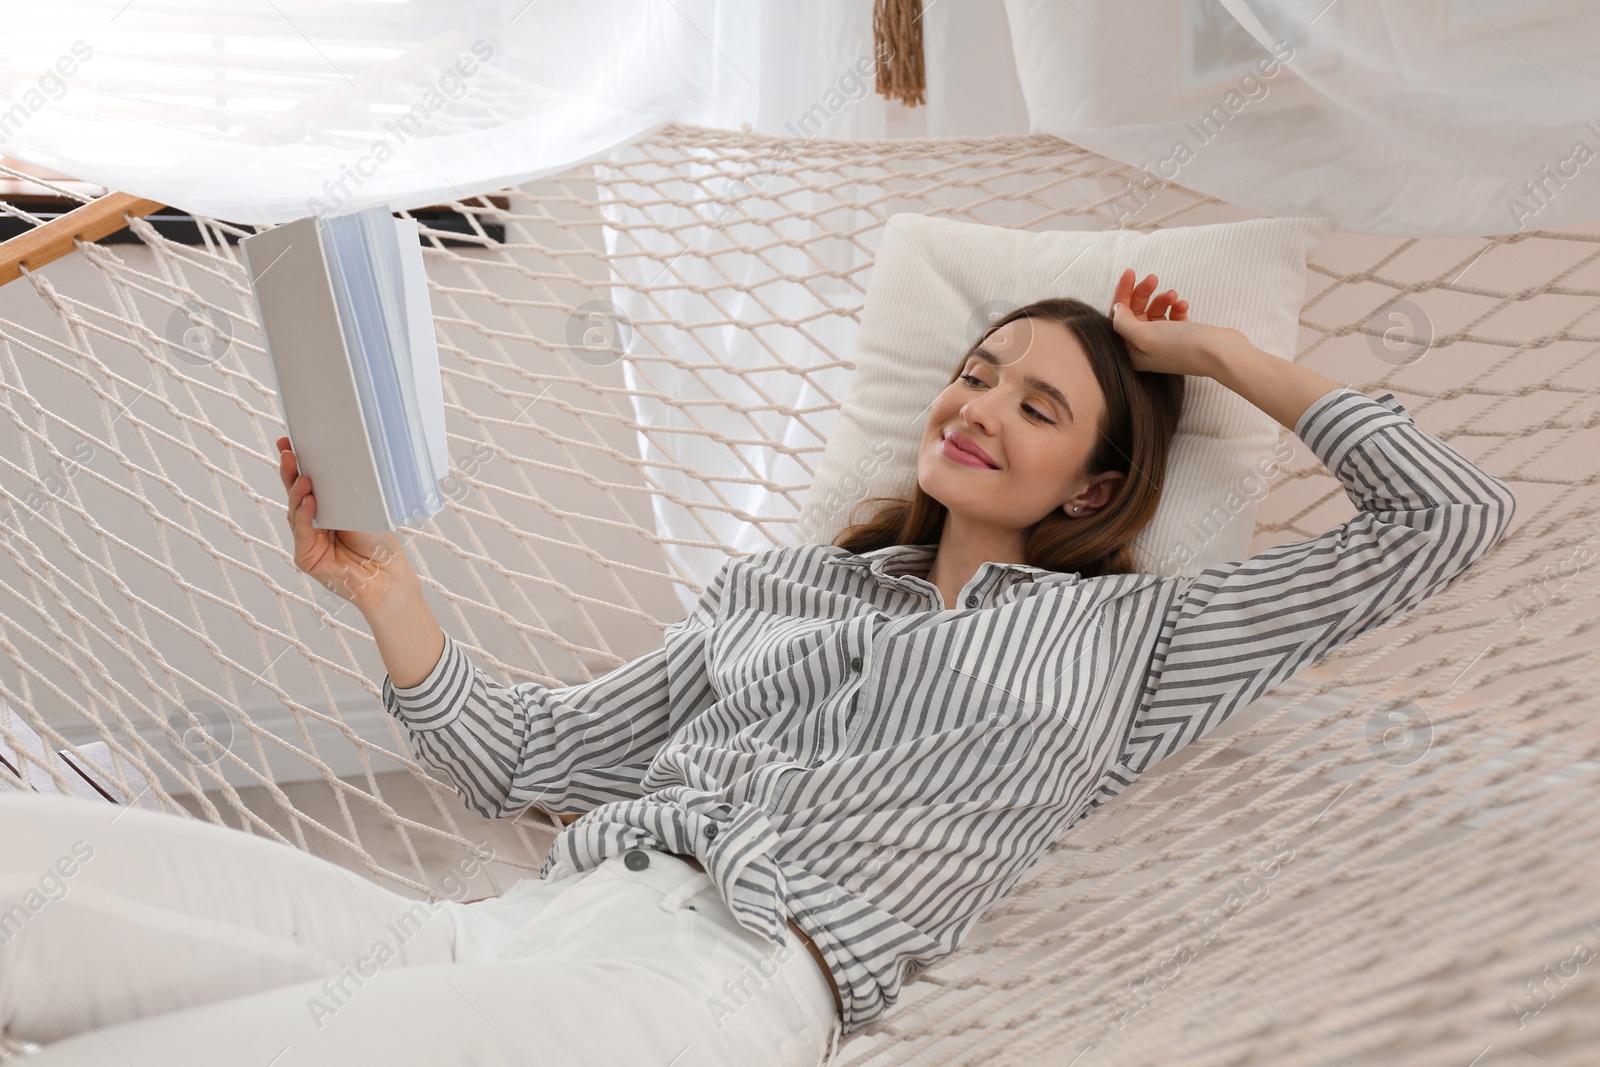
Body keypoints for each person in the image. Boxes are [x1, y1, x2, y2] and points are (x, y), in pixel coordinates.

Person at [0, 270, 1516, 1065]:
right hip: (502, 931)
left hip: (710, 991)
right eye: (977, 370)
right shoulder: (781, 588)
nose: (980, 403)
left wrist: (1216, 360)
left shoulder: (1138, 643)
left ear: (1092, 489)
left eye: (1041, 405)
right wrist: (385, 591)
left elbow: (1451, 516)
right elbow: (522, 759)